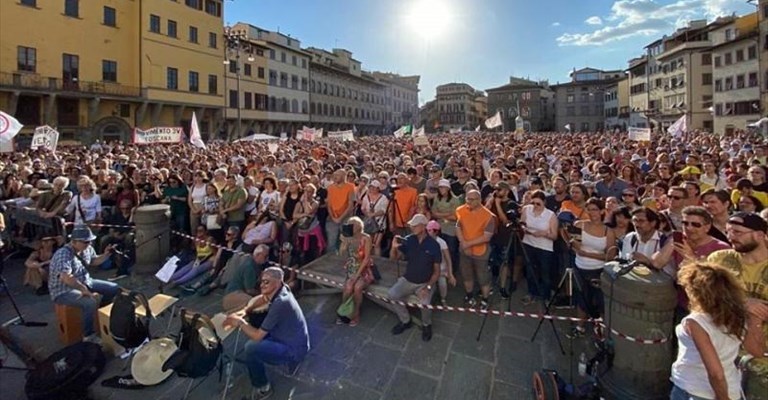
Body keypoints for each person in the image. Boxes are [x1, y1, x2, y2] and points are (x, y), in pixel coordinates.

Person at [670, 261, 764, 400]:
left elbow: (715, 373)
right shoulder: (737, 316)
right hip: (731, 388)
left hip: (694, 391)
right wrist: (755, 321)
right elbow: (757, 351)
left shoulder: (695, 323)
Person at [224, 267, 310, 400]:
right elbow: (263, 298)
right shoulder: (282, 289)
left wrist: (239, 322)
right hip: (289, 338)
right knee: (256, 323)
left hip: (293, 348)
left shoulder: (280, 302)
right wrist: (247, 310)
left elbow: (257, 336)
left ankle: (263, 388)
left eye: (266, 282)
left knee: (251, 348)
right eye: (262, 281)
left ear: (277, 283)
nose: (262, 285)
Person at [707, 212, 768, 399]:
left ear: (760, 234)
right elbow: (704, 299)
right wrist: (742, 303)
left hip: (761, 359)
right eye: (728, 231)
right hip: (723, 353)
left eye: (738, 232)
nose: (731, 236)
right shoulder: (720, 260)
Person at [48, 225, 120, 344]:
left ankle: (100, 315)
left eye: (90, 241)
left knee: (113, 288)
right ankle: (88, 335)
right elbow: (66, 278)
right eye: (85, 242)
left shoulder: (87, 249)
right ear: (74, 242)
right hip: (63, 290)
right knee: (89, 302)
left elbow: (94, 261)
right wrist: (83, 289)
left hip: (86, 281)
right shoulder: (63, 254)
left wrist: (106, 254)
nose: (88, 244)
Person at [568, 198, 617, 337]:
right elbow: (574, 244)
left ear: (602, 211)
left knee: (599, 300)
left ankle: (602, 331)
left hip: (598, 271)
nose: (591, 212)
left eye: (594, 209)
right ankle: (580, 327)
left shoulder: (609, 232)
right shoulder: (579, 224)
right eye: (588, 209)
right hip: (579, 266)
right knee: (581, 298)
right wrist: (578, 249)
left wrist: (587, 254)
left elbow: (610, 256)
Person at [388, 214, 441, 342]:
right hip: (408, 279)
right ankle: (406, 321)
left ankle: (426, 325)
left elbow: (437, 272)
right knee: (392, 294)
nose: (411, 227)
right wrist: (393, 248)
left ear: (423, 227)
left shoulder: (434, 245)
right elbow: (394, 258)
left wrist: (428, 287)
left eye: (415, 225)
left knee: (425, 303)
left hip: (425, 282)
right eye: (411, 225)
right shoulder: (409, 240)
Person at [456, 189, 496, 310]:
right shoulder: (460, 210)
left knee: (483, 277)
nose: (468, 202)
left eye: (472, 199)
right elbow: (458, 226)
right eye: (467, 199)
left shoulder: (489, 216)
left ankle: (485, 299)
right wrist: (463, 243)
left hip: (481, 252)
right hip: (464, 249)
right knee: (466, 274)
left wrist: (468, 244)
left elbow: (486, 237)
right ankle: (469, 295)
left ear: (479, 200)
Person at [519, 190, 558, 305]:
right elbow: (522, 223)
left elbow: (554, 236)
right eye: (533, 203)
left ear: (544, 203)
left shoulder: (550, 215)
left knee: (545, 272)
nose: (535, 206)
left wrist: (544, 234)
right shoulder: (527, 209)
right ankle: (532, 293)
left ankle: (546, 296)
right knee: (531, 270)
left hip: (544, 247)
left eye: (538, 204)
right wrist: (524, 229)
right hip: (529, 243)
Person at [337, 217, 374, 327]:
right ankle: (344, 311)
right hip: (351, 267)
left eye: (351, 225)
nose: (349, 226)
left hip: (364, 269)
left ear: (358, 227)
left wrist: (357, 276)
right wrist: (343, 243)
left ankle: (355, 312)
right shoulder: (348, 237)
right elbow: (341, 255)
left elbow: (367, 258)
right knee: (348, 287)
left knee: (357, 287)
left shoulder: (366, 238)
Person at [426, 220, 455, 306]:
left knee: (442, 285)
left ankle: (443, 299)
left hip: (440, 270)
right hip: (427, 268)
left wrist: (450, 273)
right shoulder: (424, 240)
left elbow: (448, 259)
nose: (427, 232)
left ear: (436, 231)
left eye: (429, 230)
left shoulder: (442, 243)